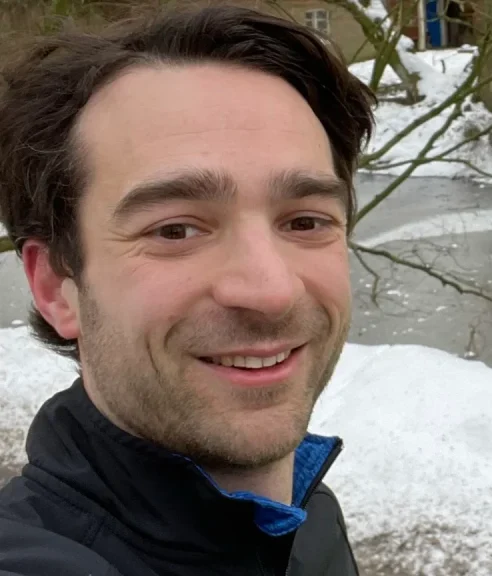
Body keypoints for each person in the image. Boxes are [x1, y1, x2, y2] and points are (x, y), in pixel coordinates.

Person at [0, 5, 375, 575]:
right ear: (56, 286)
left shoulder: (310, 517)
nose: (271, 290)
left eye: (305, 221)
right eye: (175, 230)